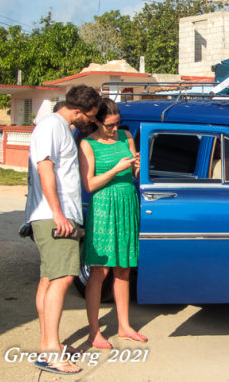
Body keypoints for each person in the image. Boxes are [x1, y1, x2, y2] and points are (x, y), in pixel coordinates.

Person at [25, 85, 101, 375]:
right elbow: (45, 168)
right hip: (54, 216)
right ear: (78, 111)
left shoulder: (60, 127)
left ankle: (48, 345)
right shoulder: (52, 126)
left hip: (56, 215)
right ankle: (51, 354)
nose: (92, 122)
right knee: (63, 278)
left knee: (48, 279)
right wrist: (58, 214)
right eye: (91, 117)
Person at [78, 98, 146, 349]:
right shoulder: (87, 143)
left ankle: (124, 326)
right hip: (104, 207)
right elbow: (90, 184)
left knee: (124, 269)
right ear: (96, 120)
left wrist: (138, 168)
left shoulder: (126, 136)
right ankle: (94, 332)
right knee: (100, 270)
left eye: (118, 123)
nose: (115, 129)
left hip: (127, 203)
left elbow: (136, 174)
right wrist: (117, 169)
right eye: (110, 125)